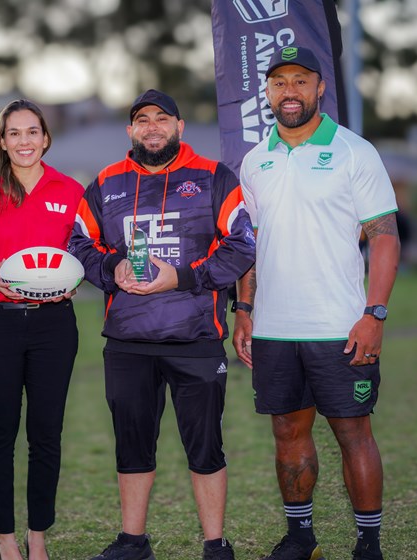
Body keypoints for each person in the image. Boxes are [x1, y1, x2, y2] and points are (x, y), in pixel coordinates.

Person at [70, 89, 256, 560]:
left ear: (179, 127)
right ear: (130, 130)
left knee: (205, 446)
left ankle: (216, 545)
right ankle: (133, 542)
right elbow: (79, 243)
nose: (152, 127)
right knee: (131, 447)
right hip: (129, 341)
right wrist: (111, 270)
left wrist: (184, 276)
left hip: (195, 337)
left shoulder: (214, 177)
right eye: (142, 120)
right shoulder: (106, 183)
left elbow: (242, 245)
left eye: (162, 119)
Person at [234, 47, 400, 560]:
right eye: (279, 82)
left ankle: (368, 543)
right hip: (274, 328)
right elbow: (250, 245)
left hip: (340, 325)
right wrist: (244, 310)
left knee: (353, 433)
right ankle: (300, 538)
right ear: (267, 91)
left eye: (300, 81)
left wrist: (374, 315)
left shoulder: (354, 151)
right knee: (287, 432)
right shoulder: (255, 159)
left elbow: (385, 238)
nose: (289, 91)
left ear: (320, 87)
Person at [0, 99, 84, 560]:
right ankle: (5, 540)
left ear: (45, 138)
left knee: (47, 433)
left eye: (32, 132)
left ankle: (39, 537)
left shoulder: (70, 190)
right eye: (14, 133)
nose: (24, 141)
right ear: (2, 141)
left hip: (54, 326)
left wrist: (71, 280)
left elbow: (84, 252)